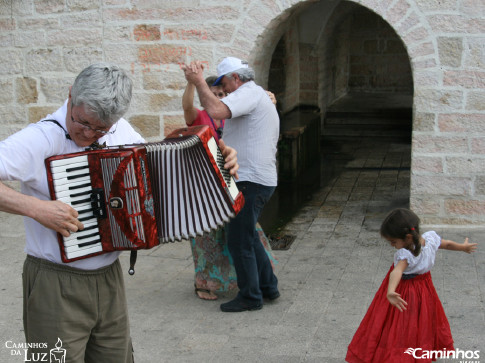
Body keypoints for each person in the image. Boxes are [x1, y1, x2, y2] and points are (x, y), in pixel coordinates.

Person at [0, 62, 239, 362]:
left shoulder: (118, 129)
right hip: (55, 282)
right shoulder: (42, 138)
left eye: (101, 128)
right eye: (82, 122)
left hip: (109, 279)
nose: (89, 134)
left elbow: (156, 169)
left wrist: (220, 158)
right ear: (71, 95)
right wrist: (37, 208)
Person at [182, 57, 280, 312]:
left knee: (239, 240)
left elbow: (215, 110)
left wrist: (198, 82)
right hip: (254, 179)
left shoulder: (248, 94)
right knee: (248, 237)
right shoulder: (253, 95)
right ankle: (269, 287)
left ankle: (250, 296)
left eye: (224, 83)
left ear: (236, 78)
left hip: (251, 180)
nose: (223, 89)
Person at [346, 208, 478, 363]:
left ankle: (400, 355)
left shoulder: (406, 254)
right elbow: (447, 244)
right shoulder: (431, 239)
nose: (392, 245)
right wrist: (463, 247)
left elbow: (396, 272)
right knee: (419, 321)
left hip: (406, 291)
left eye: (393, 242)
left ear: (408, 237)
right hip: (424, 289)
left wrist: (390, 291)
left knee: (399, 324)